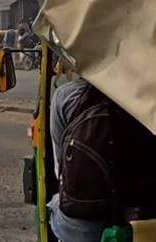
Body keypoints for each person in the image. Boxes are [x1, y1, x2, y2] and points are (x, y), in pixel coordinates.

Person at [48, 70, 109, 242]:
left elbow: (60, 166)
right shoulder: (143, 92)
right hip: (142, 212)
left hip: (81, 223)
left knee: (53, 204)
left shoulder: (66, 95)